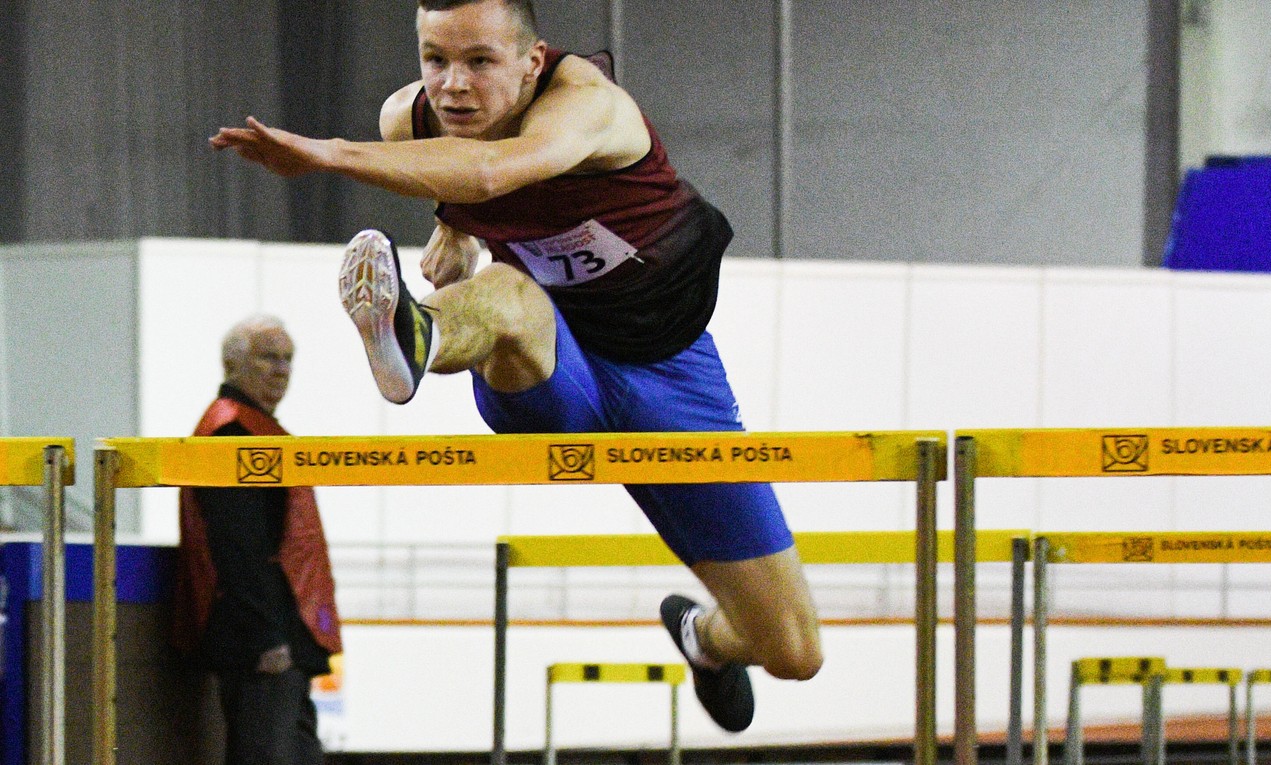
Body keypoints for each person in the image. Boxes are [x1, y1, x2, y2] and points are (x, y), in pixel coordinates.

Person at [209, 0, 819, 732]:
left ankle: (704, 637)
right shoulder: (410, 120)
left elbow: (496, 170)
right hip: (546, 364)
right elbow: (464, 173)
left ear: (531, 63)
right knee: (512, 294)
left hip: (670, 374)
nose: (453, 87)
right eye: (435, 60)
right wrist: (450, 225)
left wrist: (324, 154)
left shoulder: (592, 108)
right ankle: (415, 333)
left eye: (479, 62)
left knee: (792, 649)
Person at [172, 315, 342, 764]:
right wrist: (267, 638)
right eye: (268, 357)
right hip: (265, 643)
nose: (281, 369)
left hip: (281, 637)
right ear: (232, 363)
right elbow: (236, 546)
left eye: (288, 359)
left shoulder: (250, 427)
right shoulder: (231, 431)